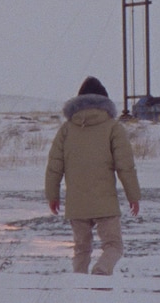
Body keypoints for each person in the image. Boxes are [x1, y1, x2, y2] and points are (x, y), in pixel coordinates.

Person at [45, 76, 141, 275]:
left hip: (76, 202)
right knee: (113, 246)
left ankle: (79, 287)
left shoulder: (66, 129)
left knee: (81, 249)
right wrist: (134, 196)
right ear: (104, 100)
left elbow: (54, 166)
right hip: (104, 201)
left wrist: (52, 195)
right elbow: (125, 166)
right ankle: (101, 271)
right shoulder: (113, 127)